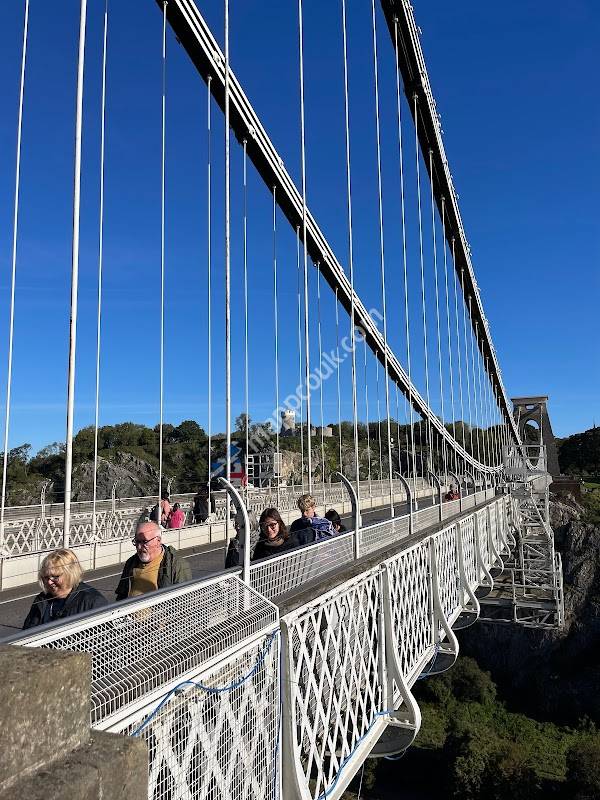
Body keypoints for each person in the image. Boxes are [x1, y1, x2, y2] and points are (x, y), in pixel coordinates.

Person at [23, 549, 107, 629]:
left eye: (55, 577)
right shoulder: (41, 600)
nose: (49, 582)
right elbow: (26, 632)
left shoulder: (92, 601)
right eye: (46, 577)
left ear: (70, 574)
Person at [115, 521, 192, 600]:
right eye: (137, 541)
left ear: (158, 541)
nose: (139, 547)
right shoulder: (131, 562)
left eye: (145, 542)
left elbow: (183, 603)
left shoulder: (176, 565)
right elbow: (121, 595)